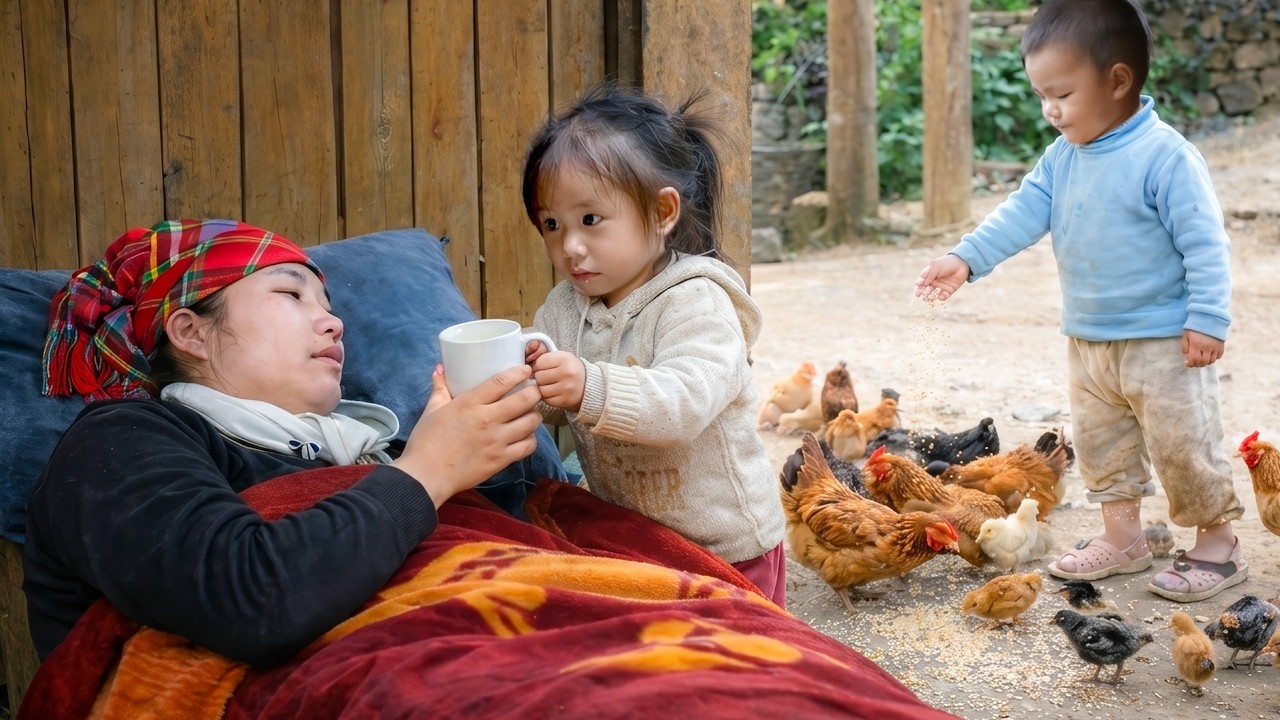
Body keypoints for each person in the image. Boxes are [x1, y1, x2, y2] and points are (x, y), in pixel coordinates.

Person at [24, 218, 554, 665]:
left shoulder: (374, 452)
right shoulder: (119, 439)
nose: (334, 323)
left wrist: (470, 460)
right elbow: (248, 599)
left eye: (328, 304)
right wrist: (429, 470)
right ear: (191, 333)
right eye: (291, 294)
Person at [914, 0, 1243, 603]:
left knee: (1183, 446)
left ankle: (1217, 543)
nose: (1049, 109)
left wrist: (1207, 318)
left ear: (1117, 81)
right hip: (1089, 339)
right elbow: (1021, 211)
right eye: (1042, 94)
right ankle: (1123, 538)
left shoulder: (1165, 156)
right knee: (1101, 446)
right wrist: (967, 257)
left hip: (1163, 341)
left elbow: (1205, 243)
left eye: (1061, 94)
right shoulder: (1061, 158)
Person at [518, 85, 788, 607]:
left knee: (740, 652)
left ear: (662, 211)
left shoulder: (697, 301)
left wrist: (587, 386)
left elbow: (684, 403)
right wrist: (524, 377)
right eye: (551, 224)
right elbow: (550, 388)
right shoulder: (565, 307)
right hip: (638, 540)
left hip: (728, 547)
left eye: (590, 220)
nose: (570, 246)